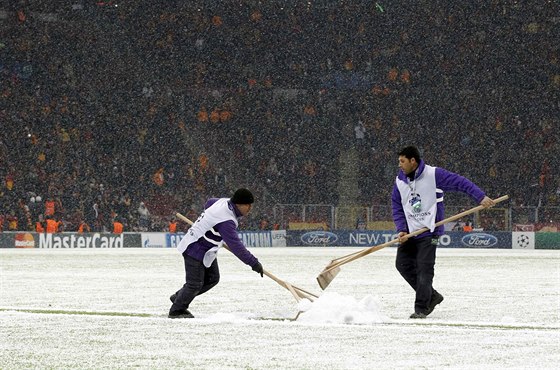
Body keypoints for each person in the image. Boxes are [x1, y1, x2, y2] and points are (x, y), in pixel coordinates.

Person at [392, 146, 495, 319]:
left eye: (402, 161)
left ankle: (421, 308)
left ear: (413, 161)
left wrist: (480, 197)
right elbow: (397, 206)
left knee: (425, 269)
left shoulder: (434, 175)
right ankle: (432, 296)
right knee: (402, 265)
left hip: (429, 232)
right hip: (410, 233)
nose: (400, 165)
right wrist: (402, 229)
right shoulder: (399, 182)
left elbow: (460, 182)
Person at [168, 188, 264, 319]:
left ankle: (180, 297)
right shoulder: (227, 221)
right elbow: (236, 247)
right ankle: (177, 310)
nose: (250, 208)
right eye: (248, 205)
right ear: (239, 204)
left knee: (212, 278)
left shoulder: (222, 202)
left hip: (208, 249)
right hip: (194, 247)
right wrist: (254, 263)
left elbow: (209, 203)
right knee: (194, 284)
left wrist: (210, 221)